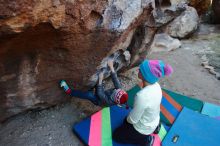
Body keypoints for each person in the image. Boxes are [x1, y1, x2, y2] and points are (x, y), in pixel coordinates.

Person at [113, 59, 173, 146]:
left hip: (142, 129)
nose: (138, 70)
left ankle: (145, 140)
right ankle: (153, 129)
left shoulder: (141, 96)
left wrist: (126, 121)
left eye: (141, 70)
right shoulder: (157, 86)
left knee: (117, 135)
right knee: (125, 125)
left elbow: (133, 120)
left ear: (145, 76)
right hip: (154, 120)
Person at [59, 59, 129, 108]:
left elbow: (100, 94)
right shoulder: (119, 90)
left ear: (114, 97)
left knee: (89, 95)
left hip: (98, 100)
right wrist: (111, 66)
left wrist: (100, 80)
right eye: (118, 90)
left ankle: (69, 91)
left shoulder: (109, 102)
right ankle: (92, 88)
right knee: (98, 84)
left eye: (116, 91)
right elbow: (115, 79)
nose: (116, 89)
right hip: (104, 94)